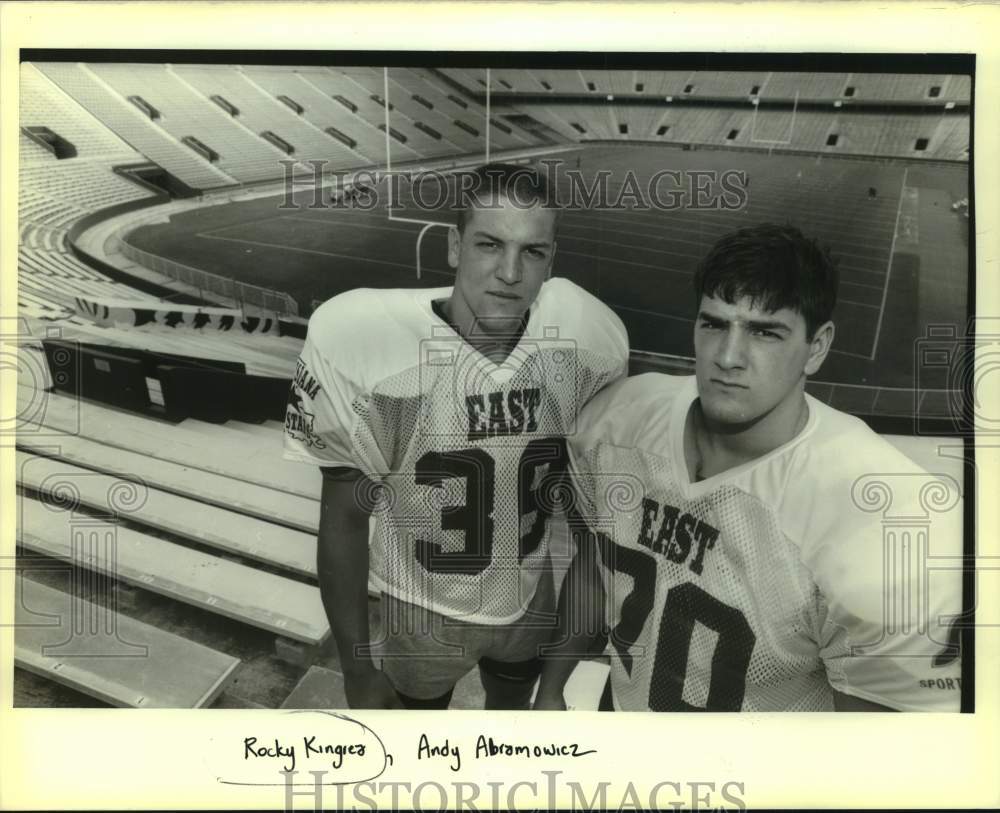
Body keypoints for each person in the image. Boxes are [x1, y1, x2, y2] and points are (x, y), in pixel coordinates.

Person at [534, 223, 962, 712]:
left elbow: (873, 757)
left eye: (765, 332)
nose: (728, 357)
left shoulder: (889, 520)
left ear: (817, 346)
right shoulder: (618, 423)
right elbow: (595, 564)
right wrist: (551, 690)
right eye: (714, 323)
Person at [284, 163, 629, 709]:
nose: (510, 272)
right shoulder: (371, 348)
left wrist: (557, 682)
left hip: (528, 592)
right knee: (422, 738)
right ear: (454, 246)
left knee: (509, 720)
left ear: (551, 260)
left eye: (532, 251)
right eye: (490, 244)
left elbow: (593, 522)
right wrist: (356, 669)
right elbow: (345, 518)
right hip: (420, 607)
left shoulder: (587, 338)